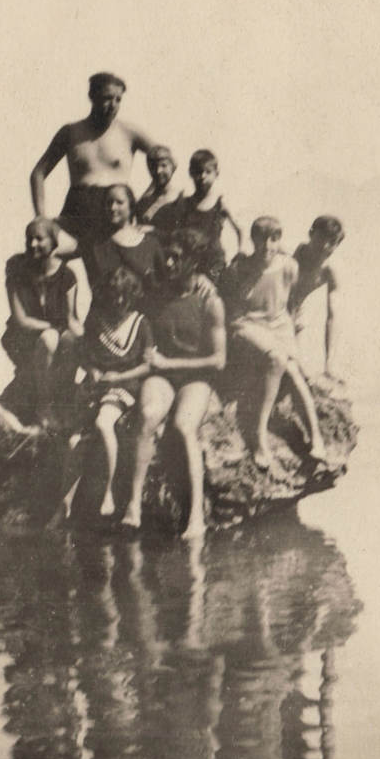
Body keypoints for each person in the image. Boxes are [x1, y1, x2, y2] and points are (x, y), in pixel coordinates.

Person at [122, 230, 226, 539]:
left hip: (196, 377)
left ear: (193, 262)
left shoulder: (210, 302)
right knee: (149, 415)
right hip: (162, 376)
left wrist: (169, 364)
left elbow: (218, 360)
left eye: (177, 258)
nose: (168, 263)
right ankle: (133, 506)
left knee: (183, 426)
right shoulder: (154, 296)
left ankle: (195, 517)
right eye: (166, 256)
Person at [222, 217, 328, 469]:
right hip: (246, 323)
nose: (267, 245)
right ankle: (259, 439)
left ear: (279, 240)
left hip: (278, 327)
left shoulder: (289, 266)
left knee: (294, 372)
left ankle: (316, 437)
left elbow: (287, 304)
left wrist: (290, 336)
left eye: (274, 239)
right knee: (277, 359)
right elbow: (234, 307)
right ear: (253, 240)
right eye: (261, 239)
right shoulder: (240, 267)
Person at [59, 266, 154, 522]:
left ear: (132, 295)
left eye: (123, 295)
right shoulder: (96, 320)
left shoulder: (140, 323)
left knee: (103, 422)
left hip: (124, 386)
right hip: (97, 385)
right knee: (74, 440)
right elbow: (83, 355)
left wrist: (118, 377)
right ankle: (65, 502)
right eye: (114, 295)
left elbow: (146, 365)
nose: (118, 301)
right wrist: (92, 371)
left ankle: (109, 492)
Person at [30, 72, 159, 249]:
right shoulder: (71, 132)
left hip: (114, 216)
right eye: (107, 98)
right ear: (92, 96)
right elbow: (38, 173)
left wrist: (146, 202)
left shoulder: (129, 132)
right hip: (76, 214)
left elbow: (165, 160)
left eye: (118, 99)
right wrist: (40, 217)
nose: (113, 105)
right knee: (42, 250)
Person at [1, 217, 83, 430]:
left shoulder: (67, 275)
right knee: (50, 339)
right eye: (29, 239)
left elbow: (71, 318)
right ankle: (44, 407)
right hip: (25, 336)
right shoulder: (16, 271)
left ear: (53, 243)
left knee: (72, 341)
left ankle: (63, 403)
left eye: (39, 239)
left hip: (57, 331)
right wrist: (52, 329)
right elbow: (21, 320)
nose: (32, 244)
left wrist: (86, 337)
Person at [84, 183, 170, 309]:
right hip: (108, 317)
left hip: (146, 316)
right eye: (109, 203)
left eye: (119, 202)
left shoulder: (151, 243)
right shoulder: (98, 245)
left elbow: (163, 285)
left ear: (131, 206)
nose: (113, 207)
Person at [162, 149, 246, 274]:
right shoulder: (185, 203)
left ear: (216, 174)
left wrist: (240, 253)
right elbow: (174, 232)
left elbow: (241, 229)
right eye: (198, 172)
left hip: (213, 262)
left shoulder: (221, 202)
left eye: (208, 172)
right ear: (190, 173)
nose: (202, 176)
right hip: (189, 262)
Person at [288, 215, 346, 385]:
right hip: (278, 302)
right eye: (321, 239)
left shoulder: (330, 269)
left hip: (297, 307)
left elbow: (333, 316)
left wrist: (329, 365)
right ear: (310, 235)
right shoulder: (293, 254)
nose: (325, 246)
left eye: (332, 242)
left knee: (300, 323)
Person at [136, 145, 182, 227]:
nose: (158, 171)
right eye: (153, 167)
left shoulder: (181, 197)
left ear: (173, 167)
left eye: (164, 165)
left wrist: (153, 230)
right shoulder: (145, 200)